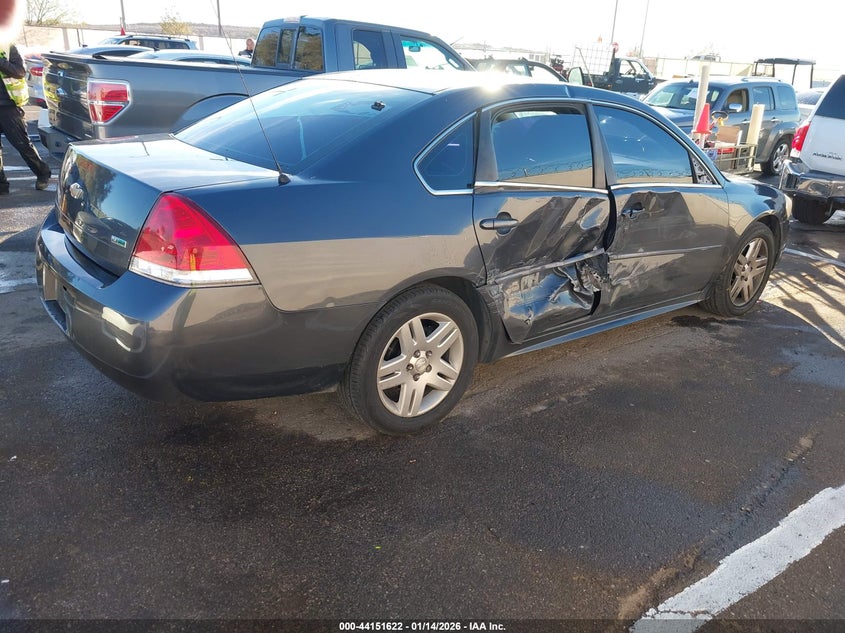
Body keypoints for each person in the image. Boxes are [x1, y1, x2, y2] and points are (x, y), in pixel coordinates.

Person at [0, 43, 51, 195]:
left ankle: (42, 172)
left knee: (22, 144)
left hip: (8, 105)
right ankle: (2, 185)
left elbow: (20, 72)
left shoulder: (6, 48)